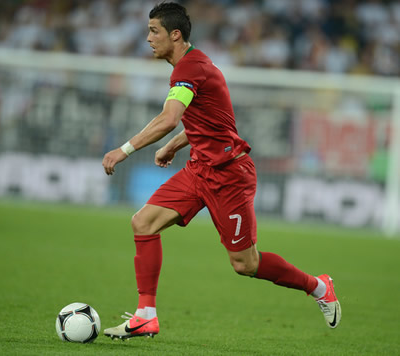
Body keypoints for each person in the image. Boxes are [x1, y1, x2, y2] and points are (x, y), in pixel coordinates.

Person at [102, 2, 341, 339]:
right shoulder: (192, 67)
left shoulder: (189, 69)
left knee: (246, 264)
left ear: (175, 34)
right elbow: (209, 123)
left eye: (154, 31)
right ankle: (145, 315)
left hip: (230, 176)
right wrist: (174, 145)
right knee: (143, 222)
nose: (147, 38)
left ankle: (318, 286)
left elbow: (168, 118)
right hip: (199, 169)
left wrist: (123, 150)